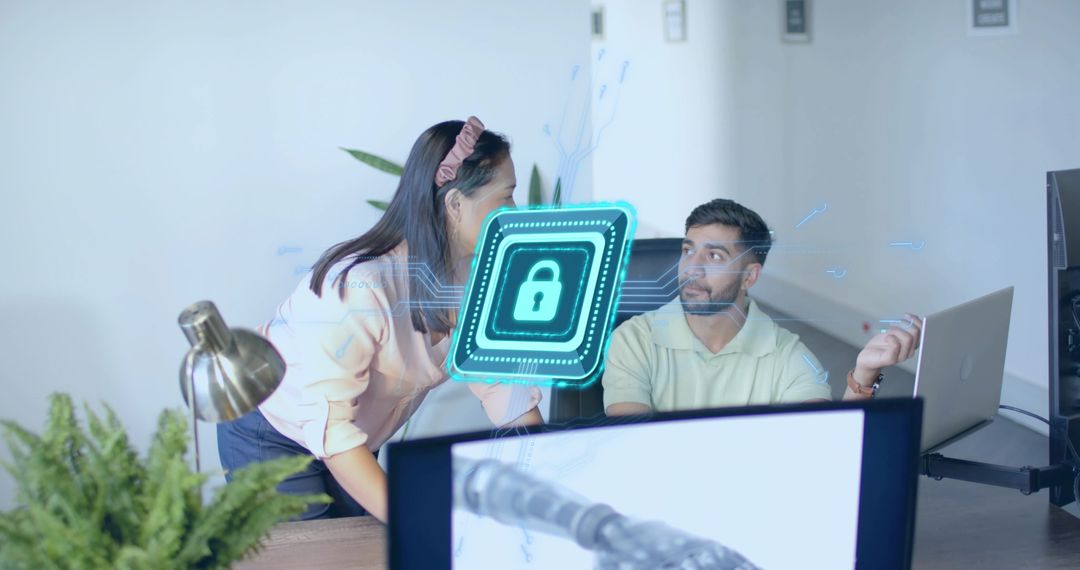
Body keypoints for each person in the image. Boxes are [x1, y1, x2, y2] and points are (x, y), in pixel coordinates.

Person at [217, 117, 543, 522]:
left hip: (351, 436)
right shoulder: (360, 288)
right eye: (506, 197)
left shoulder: (477, 280)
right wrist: (419, 526)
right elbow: (332, 432)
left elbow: (507, 395)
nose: (515, 213)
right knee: (324, 550)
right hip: (273, 430)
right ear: (456, 204)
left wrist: (542, 477)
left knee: (368, 545)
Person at [603, 198, 921, 416]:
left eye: (714, 256)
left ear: (749, 276)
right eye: (688, 251)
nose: (692, 268)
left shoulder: (787, 356)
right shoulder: (633, 340)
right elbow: (633, 449)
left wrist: (864, 374)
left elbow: (820, 447)